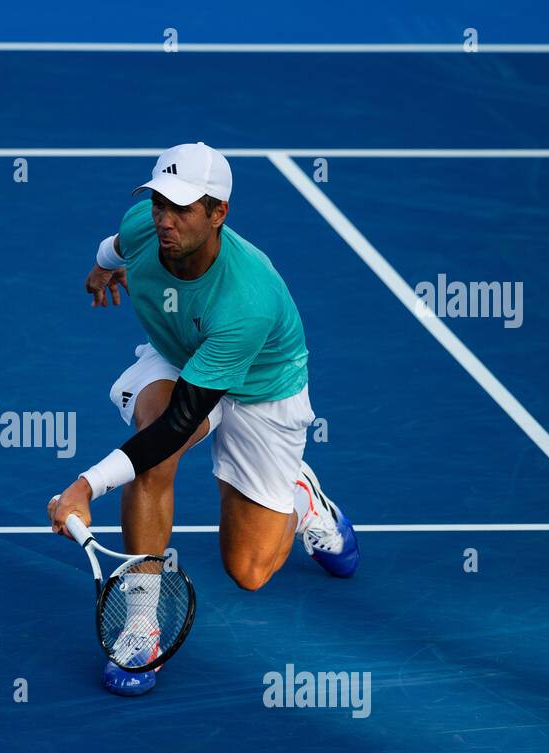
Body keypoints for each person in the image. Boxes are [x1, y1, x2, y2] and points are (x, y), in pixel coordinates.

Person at [47, 142, 359, 697]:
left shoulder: (248, 298)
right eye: (159, 202)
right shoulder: (146, 227)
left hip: (262, 391)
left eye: (183, 208)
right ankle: (142, 621)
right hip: (182, 354)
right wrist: (101, 270)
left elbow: (181, 422)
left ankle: (303, 495)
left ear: (219, 213)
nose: (165, 219)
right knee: (153, 450)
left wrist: (84, 485)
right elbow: (116, 247)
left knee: (250, 571)